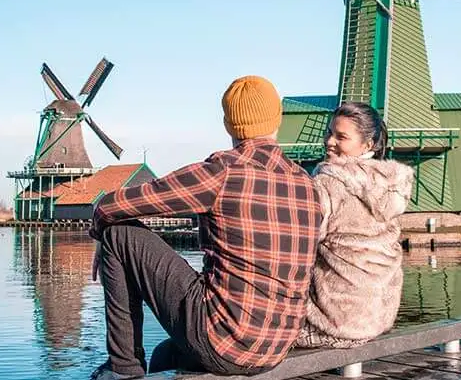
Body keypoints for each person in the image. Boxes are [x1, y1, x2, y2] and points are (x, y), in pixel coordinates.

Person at [88, 75, 322, 379]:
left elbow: (111, 206)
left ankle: (122, 369)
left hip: (225, 341)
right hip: (276, 347)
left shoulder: (223, 173)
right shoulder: (306, 183)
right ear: (277, 119)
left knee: (119, 233)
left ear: (228, 125)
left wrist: (99, 234)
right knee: (165, 355)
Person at [294, 102, 414, 349]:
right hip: (376, 320)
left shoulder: (328, 184)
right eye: (329, 133)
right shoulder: (389, 187)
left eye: (341, 137)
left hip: (331, 323)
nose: (329, 141)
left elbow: (300, 243)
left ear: (368, 145)